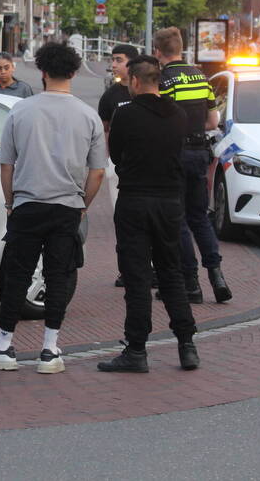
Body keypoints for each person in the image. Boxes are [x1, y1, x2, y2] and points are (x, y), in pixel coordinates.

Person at [0, 42, 106, 375]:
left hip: (27, 204)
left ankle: (3, 344)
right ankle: (50, 348)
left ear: (42, 72)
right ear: (74, 72)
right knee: (58, 275)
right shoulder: (89, 116)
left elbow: (6, 165)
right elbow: (98, 171)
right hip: (67, 206)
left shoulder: (21, 110)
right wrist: (83, 205)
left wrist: (10, 202)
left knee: (17, 274)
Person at [97, 55, 199, 373]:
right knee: (171, 273)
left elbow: (115, 154)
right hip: (169, 202)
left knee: (137, 276)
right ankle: (187, 344)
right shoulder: (178, 115)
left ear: (137, 82)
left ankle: (137, 349)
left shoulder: (125, 115)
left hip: (135, 200)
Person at [154, 27, 231, 305]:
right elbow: (212, 122)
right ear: (182, 48)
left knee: (180, 220)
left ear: (158, 52)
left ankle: (191, 284)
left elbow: (162, 119)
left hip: (176, 153)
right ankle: (217, 276)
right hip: (200, 152)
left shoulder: (165, 79)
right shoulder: (201, 76)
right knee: (200, 217)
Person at [98, 43, 140, 288]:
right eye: (112, 60)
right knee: (121, 218)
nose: (113, 64)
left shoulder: (146, 92)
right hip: (118, 166)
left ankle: (151, 267)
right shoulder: (111, 95)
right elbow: (105, 129)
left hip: (144, 166)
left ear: (132, 64)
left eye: (118, 60)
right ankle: (125, 268)